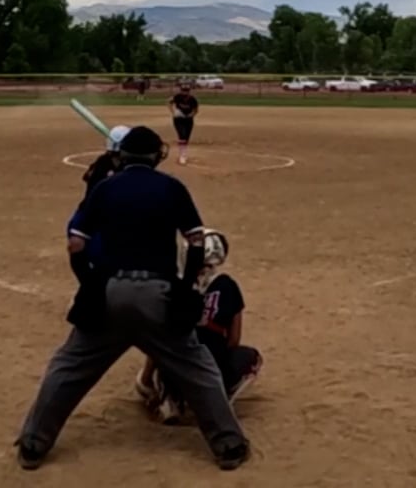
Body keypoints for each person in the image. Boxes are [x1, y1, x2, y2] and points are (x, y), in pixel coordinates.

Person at [15, 126, 249, 472]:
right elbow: (196, 241)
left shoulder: (105, 188)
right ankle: (228, 445)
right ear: (156, 156)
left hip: (110, 291)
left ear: (122, 155)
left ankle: (34, 443)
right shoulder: (171, 187)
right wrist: (185, 287)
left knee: (69, 367)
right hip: (159, 294)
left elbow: (76, 243)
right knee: (199, 368)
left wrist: (90, 284)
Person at [136, 228, 262, 424]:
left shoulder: (174, 286)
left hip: (176, 364)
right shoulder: (228, 285)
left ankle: (169, 397)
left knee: (166, 344)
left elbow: (160, 331)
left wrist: (146, 377)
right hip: (211, 367)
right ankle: (220, 397)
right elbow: (233, 339)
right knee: (252, 357)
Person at [169, 83, 201, 165]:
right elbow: (170, 102)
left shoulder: (192, 99)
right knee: (182, 135)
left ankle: (183, 152)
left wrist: (192, 115)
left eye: (186, 90)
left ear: (189, 91)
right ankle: (182, 156)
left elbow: (196, 110)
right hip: (178, 119)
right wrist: (173, 112)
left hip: (188, 120)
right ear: (180, 90)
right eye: (183, 90)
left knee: (186, 138)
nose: (184, 92)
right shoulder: (177, 97)